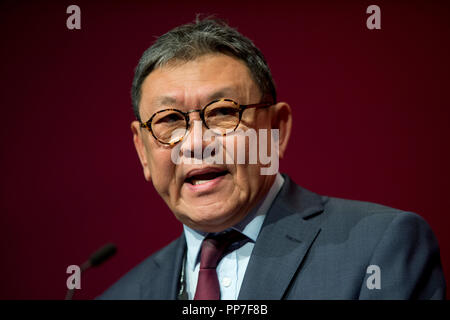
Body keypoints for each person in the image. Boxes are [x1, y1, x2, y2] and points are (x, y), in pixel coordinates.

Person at [99, 18, 446, 300]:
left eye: (223, 112)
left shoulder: (377, 247)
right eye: (170, 120)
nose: (196, 143)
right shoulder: (122, 295)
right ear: (142, 151)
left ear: (276, 129)